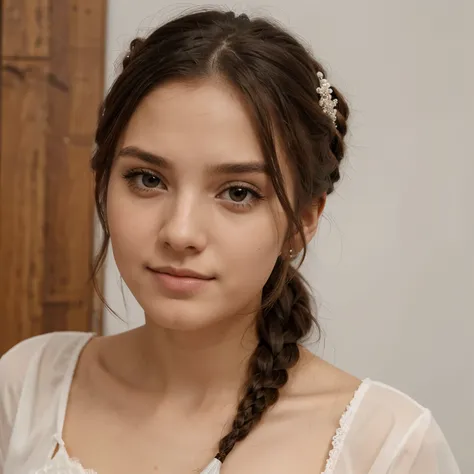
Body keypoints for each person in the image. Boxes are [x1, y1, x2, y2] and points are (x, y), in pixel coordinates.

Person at [0, 8, 460, 474]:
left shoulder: (386, 447)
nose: (180, 232)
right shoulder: (28, 386)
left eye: (238, 193)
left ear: (303, 220)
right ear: (103, 183)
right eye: (147, 179)